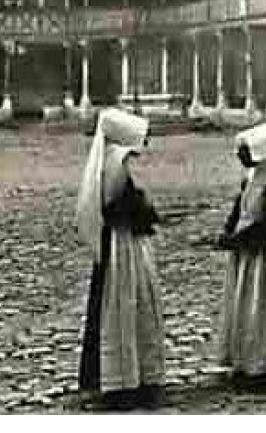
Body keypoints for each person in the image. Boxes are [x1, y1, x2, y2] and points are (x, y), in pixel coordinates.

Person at [75, 107, 165, 405]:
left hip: (121, 240)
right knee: (125, 303)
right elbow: (120, 207)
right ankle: (126, 376)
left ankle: (121, 373)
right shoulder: (116, 163)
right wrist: (146, 209)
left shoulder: (109, 160)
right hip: (124, 243)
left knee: (118, 303)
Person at [212, 122, 266, 383]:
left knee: (265, 302)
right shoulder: (252, 175)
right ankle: (247, 357)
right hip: (246, 249)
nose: (240, 157)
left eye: (245, 152)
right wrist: (229, 230)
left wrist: (239, 239)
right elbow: (240, 207)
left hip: (265, 251)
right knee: (246, 301)